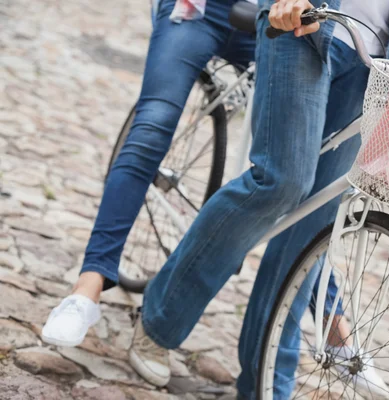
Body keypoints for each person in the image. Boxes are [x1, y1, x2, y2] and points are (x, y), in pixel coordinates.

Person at [46, 0, 389, 397]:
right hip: (302, 19)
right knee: (283, 180)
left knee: (315, 218)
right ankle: (160, 322)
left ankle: (267, 380)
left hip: (377, 52)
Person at [41, 0, 356, 370]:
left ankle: (334, 319)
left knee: (297, 166)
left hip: (270, 15)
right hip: (198, 11)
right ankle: (87, 289)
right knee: (153, 126)